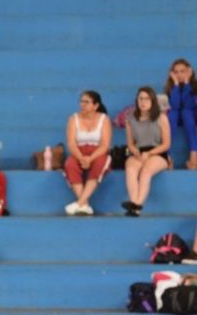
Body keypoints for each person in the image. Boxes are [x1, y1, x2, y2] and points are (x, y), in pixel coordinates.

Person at [123, 86, 172, 216]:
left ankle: (137, 205)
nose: (143, 102)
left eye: (146, 99)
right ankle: (133, 203)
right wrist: (135, 151)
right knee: (131, 169)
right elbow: (130, 143)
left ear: (152, 101)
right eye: (140, 99)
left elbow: (166, 144)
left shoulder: (161, 118)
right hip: (139, 151)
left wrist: (149, 154)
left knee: (146, 171)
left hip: (157, 151)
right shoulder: (130, 119)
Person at [63, 90, 113, 216]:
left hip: (97, 152)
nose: (83, 105)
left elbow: (105, 145)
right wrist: (81, 158)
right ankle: (84, 205)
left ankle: (79, 203)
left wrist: (90, 158)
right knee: (70, 164)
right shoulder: (73, 118)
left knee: (100, 164)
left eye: (87, 102)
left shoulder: (104, 119)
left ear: (96, 105)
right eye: (81, 101)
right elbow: (71, 143)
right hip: (79, 152)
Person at [165, 58, 197, 170]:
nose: (179, 74)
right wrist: (176, 85)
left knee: (186, 112)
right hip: (177, 117)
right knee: (173, 114)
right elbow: (175, 105)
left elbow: (188, 105)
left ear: (189, 72)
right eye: (176, 72)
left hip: (191, 116)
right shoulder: (171, 87)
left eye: (182, 71)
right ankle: (166, 156)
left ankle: (194, 156)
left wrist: (187, 83)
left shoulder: (194, 85)